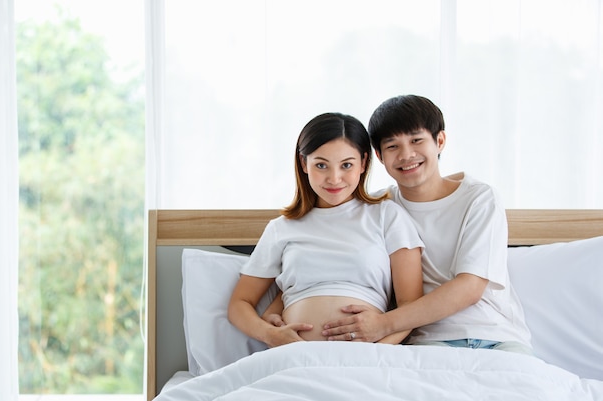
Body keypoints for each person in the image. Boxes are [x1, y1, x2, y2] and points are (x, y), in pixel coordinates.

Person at [320, 95, 533, 354]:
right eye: (392, 146)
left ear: (439, 141)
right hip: (427, 342)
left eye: (416, 140)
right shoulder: (376, 208)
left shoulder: (478, 198)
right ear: (379, 155)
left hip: (495, 336)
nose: (406, 155)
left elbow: (470, 287)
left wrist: (383, 324)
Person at [227, 112, 424, 348]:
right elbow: (240, 304)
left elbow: (411, 306)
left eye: (346, 165)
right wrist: (270, 335)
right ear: (304, 164)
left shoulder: (386, 216)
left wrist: (379, 350)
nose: (334, 178)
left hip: (366, 359)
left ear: (363, 163)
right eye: (321, 165)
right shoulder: (282, 228)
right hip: (294, 359)